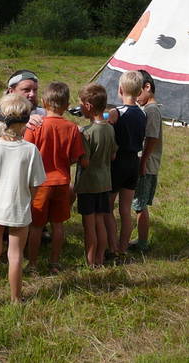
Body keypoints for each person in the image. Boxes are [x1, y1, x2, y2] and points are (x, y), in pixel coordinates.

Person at [0, 94, 46, 307]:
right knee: (15, 255)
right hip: (20, 209)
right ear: (26, 121)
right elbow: (36, 184)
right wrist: (28, 199)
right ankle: (16, 299)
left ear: (0, 118)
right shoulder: (30, 150)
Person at [24, 82, 86, 274]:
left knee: (36, 226)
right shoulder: (72, 128)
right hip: (62, 182)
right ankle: (55, 263)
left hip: (39, 184)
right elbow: (76, 157)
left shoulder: (35, 127)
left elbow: (25, 153)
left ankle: (32, 264)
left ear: (43, 102)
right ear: (67, 105)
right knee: (58, 225)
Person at [75, 84, 117, 267]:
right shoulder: (110, 129)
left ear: (88, 106)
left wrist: (77, 154)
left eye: (81, 104)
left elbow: (85, 162)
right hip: (105, 183)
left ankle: (90, 261)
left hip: (88, 185)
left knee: (89, 225)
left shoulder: (87, 133)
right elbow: (113, 155)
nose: (79, 108)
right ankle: (100, 258)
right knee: (100, 221)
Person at [106, 71, 146, 260]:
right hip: (133, 162)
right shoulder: (143, 113)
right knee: (125, 209)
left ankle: (112, 247)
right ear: (139, 92)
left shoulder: (117, 112)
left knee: (108, 208)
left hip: (118, 162)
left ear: (120, 90)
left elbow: (107, 122)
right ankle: (123, 248)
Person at [130, 70, 162, 253]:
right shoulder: (147, 109)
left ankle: (142, 243)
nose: (135, 98)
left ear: (147, 87)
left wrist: (142, 163)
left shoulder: (152, 110)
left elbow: (151, 139)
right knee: (137, 204)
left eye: (137, 93)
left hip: (146, 165)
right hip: (143, 163)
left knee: (139, 205)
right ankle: (140, 239)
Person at [0, 70, 46, 140]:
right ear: (11, 91)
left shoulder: (43, 113)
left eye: (35, 90)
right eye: (26, 90)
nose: (32, 94)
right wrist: (21, 124)